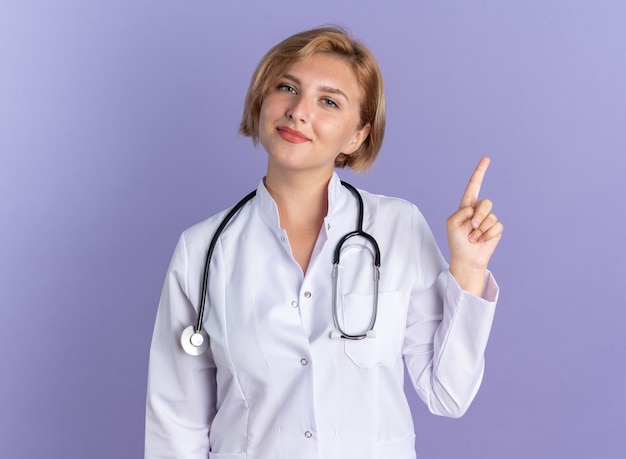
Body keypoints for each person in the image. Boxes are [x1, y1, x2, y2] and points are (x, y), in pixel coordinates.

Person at [145, 26, 503, 459]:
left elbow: (449, 394)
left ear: (357, 137)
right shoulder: (201, 250)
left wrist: (468, 268)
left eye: (328, 101)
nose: (298, 111)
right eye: (287, 88)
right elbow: (175, 424)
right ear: (262, 102)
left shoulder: (396, 227)